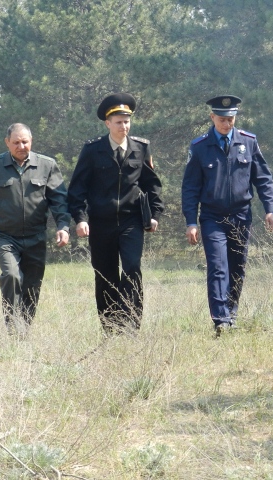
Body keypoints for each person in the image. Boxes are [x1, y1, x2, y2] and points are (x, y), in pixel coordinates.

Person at [68, 92, 164, 333]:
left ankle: (131, 324)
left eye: (127, 121)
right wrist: (80, 218)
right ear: (107, 123)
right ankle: (111, 327)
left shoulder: (141, 148)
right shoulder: (92, 150)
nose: (124, 126)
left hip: (132, 221)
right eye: (119, 122)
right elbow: (77, 188)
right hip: (101, 222)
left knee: (132, 267)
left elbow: (152, 185)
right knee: (106, 274)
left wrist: (154, 215)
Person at [182, 95, 273, 336]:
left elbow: (263, 178)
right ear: (212, 117)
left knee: (237, 267)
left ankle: (231, 313)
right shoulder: (200, 146)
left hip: (241, 215)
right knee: (217, 266)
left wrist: (270, 209)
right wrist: (191, 221)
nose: (227, 124)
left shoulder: (248, 142)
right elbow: (190, 187)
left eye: (231, 119)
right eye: (223, 119)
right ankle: (220, 319)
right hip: (212, 217)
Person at [0, 123, 71, 335]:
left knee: (32, 285)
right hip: (5, 236)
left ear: (31, 141)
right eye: (16, 142)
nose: (21, 146)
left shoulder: (47, 165)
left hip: (36, 237)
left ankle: (24, 329)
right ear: (7, 143)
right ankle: (12, 328)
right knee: (12, 276)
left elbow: (59, 200)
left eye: (25, 141)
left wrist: (63, 226)